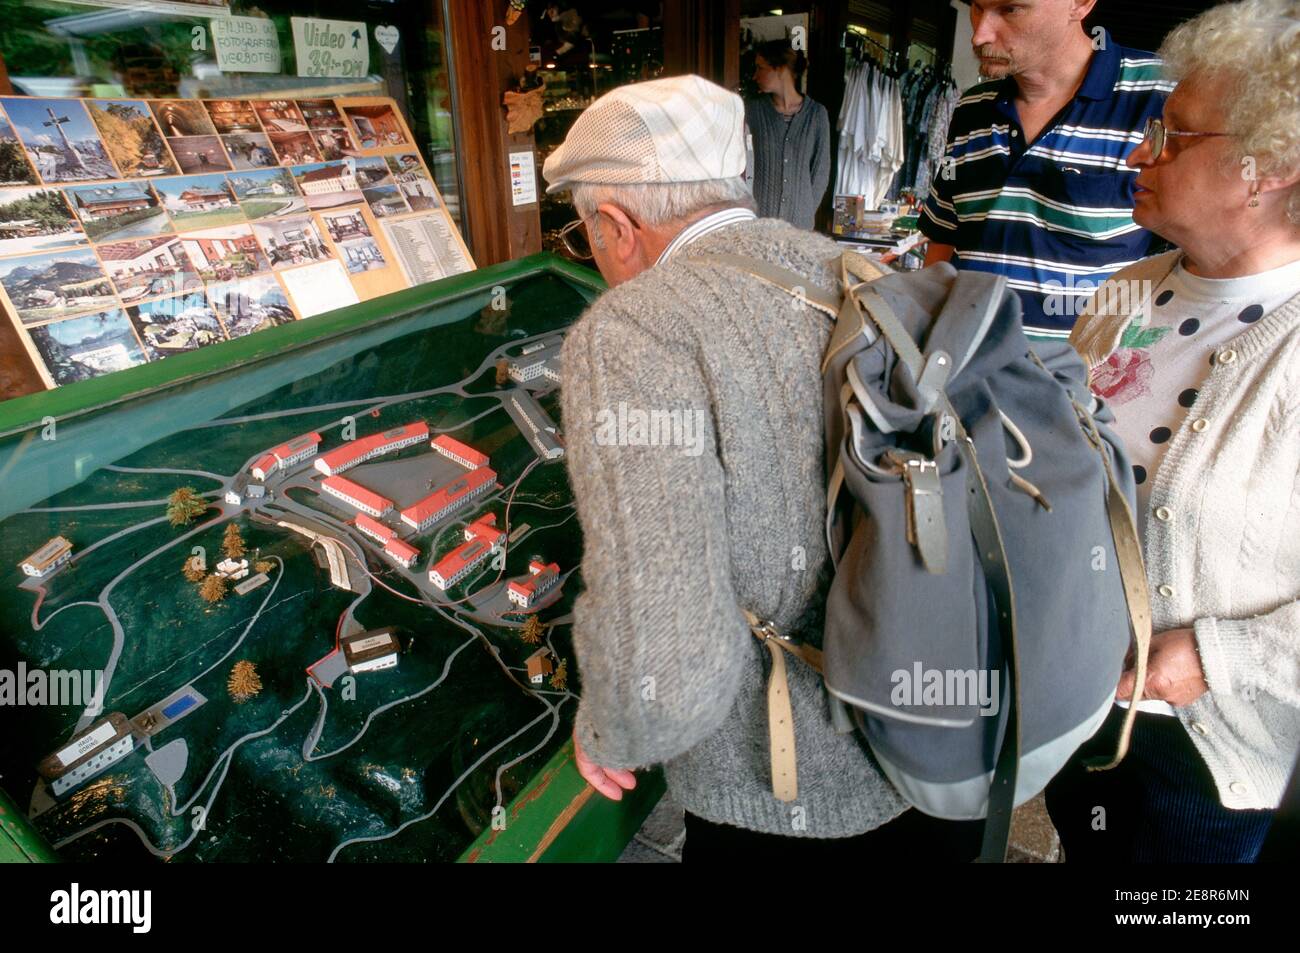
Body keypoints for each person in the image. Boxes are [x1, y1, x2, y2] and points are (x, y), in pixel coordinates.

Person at [541, 74, 986, 861]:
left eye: (585, 235)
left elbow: (666, 639)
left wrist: (617, 724)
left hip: (785, 786)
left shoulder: (635, 329)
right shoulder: (861, 271)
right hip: (938, 744)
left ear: (616, 222)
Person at [1046, 0, 1300, 863]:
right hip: (1078, 711)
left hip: (1202, 759)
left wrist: (1214, 658)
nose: (1135, 151)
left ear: (1268, 166)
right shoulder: (1128, 287)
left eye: (1174, 135)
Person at [920, 0, 1170, 340]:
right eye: (978, 8)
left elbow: (1195, 260)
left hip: (1081, 379)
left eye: (1010, 9)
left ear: (1080, 4)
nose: (979, 35)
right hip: (959, 367)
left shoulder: (1161, 95)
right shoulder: (972, 107)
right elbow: (944, 238)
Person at [744, 40, 832, 230]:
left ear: (781, 69)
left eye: (761, 68)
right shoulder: (752, 111)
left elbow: (820, 173)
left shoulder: (817, 115)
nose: (755, 75)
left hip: (800, 228)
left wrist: (803, 211)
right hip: (759, 225)